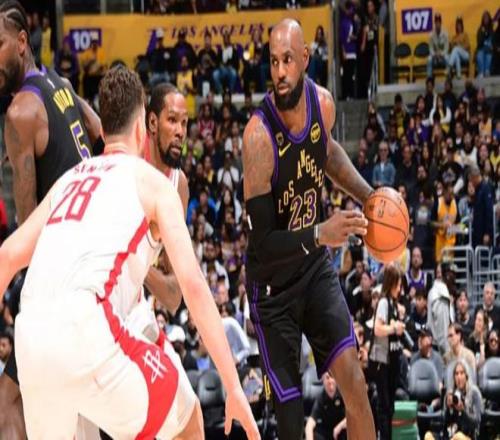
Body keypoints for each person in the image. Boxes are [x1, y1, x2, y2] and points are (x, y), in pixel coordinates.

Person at [0, 66, 260, 440]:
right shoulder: (153, 184)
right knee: (188, 421)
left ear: (102, 130)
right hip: (89, 328)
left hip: (32, 338)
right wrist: (233, 387)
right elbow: (193, 286)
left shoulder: (69, 181)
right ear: (143, 128)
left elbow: (8, 256)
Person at [242, 18, 375, 440]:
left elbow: (327, 153)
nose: (280, 72)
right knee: (291, 424)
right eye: (273, 62)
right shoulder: (258, 137)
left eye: (287, 60)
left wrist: (370, 196)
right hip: (272, 291)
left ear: (304, 58)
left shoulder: (324, 105)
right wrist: (320, 233)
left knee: (355, 382)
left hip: (314, 271)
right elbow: (263, 244)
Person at [0, 2, 102, 438]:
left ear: (22, 42)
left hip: (61, 279)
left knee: (9, 401)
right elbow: (101, 132)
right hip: (96, 263)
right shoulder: (62, 85)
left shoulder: (20, 113)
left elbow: (27, 229)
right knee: (83, 408)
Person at [369, 264, 405, 440]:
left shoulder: (393, 303)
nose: (400, 289)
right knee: (384, 407)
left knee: (390, 406)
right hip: (381, 361)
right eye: (398, 284)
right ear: (391, 283)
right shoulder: (383, 302)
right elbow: (377, 329)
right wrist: (394, 328)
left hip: (391, 360)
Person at [443, 361, 482, 440]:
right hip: (452, 434)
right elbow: (445, 424)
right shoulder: (450, 393)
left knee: (458, 436)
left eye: (461, 373)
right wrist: (448, 409)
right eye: (456, 374)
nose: (459, 377)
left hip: (468, 436)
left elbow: (476, 423)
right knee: (428, 435)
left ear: (466, 376)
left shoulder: (474, 393)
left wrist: (463, 411)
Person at [305, 373, 347, 440]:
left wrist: (340, 426)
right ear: (323, 380)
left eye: (332, 377)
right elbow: (310, 423)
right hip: (327, 432)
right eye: (327, 378)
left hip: (341, 432)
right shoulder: (321, 397)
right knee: (315, 432)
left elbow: (354, 416)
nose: (330, 380)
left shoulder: (344, 394)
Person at [427, 12, 449, 77]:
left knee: (448, 58)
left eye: (439, 22)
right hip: (434, 55)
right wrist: (435, 54)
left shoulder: (445, 33)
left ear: (441, 23)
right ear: (435, 23)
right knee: (429, 59)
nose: (437, 24)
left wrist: (441, 54)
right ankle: (429, 78)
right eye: (436, 22)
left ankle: (448, 76)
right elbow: (430, 48)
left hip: (443, 54)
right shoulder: (431, 34)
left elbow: (446, 48)